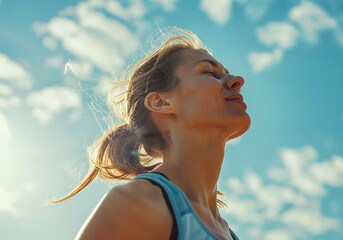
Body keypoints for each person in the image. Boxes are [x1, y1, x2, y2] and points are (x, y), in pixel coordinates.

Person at [54, 28, 251, 240]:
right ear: (161, 102)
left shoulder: (227, 232)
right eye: (209, 73)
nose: (237, 80)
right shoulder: (136, 203)